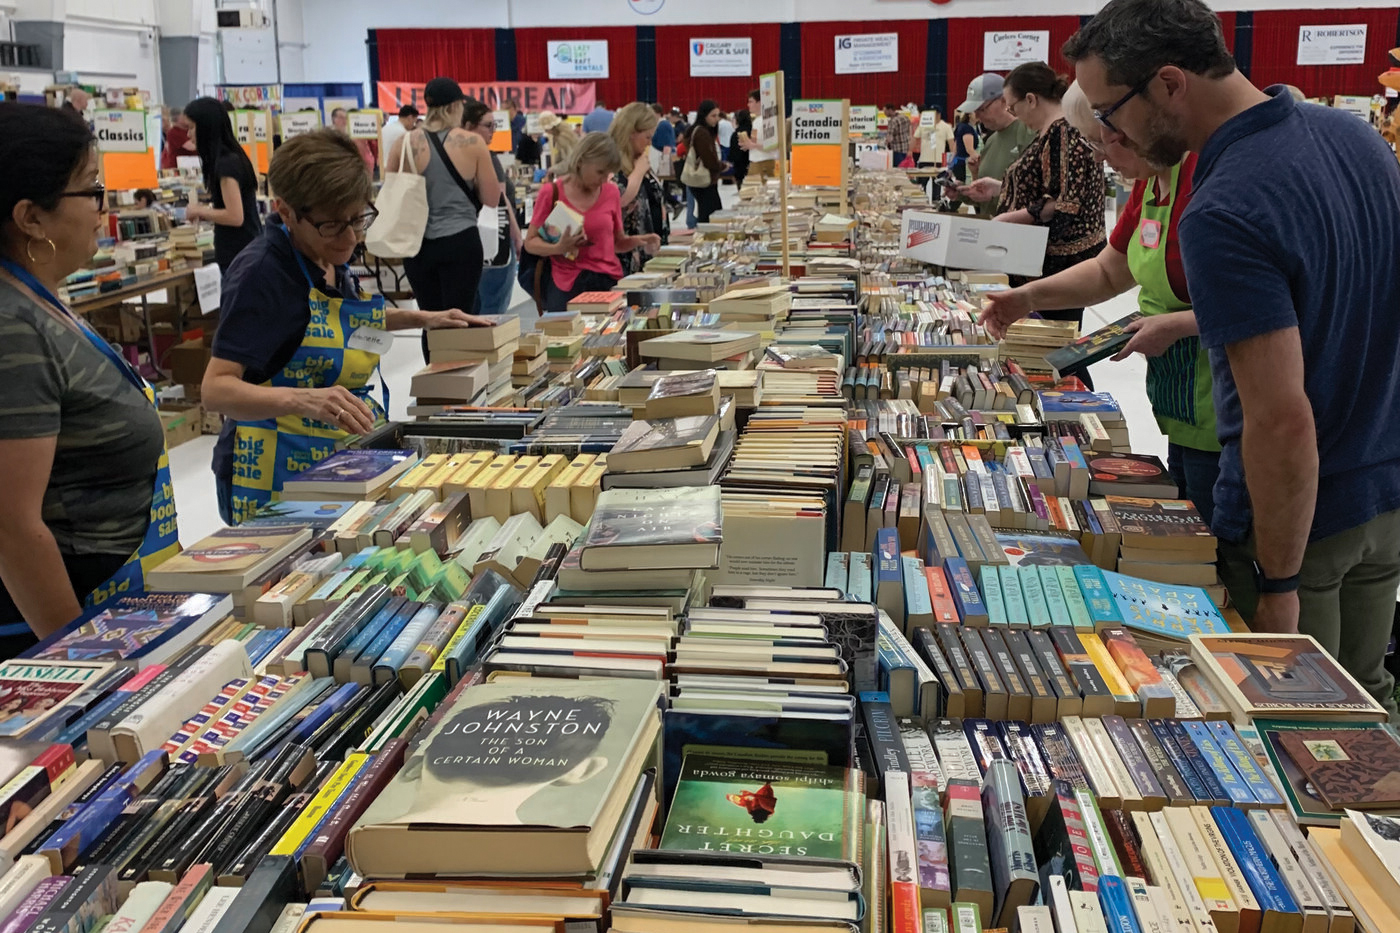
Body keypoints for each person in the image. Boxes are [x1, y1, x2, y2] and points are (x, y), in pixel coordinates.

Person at [1066, 0, 1400, 715]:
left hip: (1300, 525)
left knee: (1298, 732)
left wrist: (1276, 585)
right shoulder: (1356, 138)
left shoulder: (1222, 208)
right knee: (1370, 707)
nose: (1107, 133)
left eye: (1109, 111)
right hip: (1384, 497)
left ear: (1168, 83)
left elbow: (1277, 420)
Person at [202, 129, 489, 525]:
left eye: (358, 219)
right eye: (334, 225)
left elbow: (340, 320)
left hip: (335, 456)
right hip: (272, 468)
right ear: (286, 211)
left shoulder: (325, 252)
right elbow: (215, 389)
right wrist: (305, 400)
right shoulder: (261, 274)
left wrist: (424, 317)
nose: (352, 238)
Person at [979, 83, 1219, 526]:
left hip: (1223, 400)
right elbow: (1108, 271)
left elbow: (1260, 302)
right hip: (1179, 399)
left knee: (1220, 537)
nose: (1100, 156)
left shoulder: (1208, 180)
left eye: (1101, 140)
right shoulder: (1149, 186)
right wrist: (1028, 295)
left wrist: (1178, 325)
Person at [0, 104, 180, 654]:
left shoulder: (39, 298)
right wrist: (76, 657)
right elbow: (10, 524)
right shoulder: (13, 326)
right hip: (56, 625)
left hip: (109, 594)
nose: (104, 208)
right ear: (31, 216)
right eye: (92, 190)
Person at [989, 63, 1107, 337]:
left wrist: (1008, 219)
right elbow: (1048, 189)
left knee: (1054, 347)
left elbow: (1065, 203)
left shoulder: (1063, 131)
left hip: (1062, 264)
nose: (1014, 115)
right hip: (1048, 262)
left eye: (1012, 107)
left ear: (1031, 99)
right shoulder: (1051, 132)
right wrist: (999, 189)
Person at [385, 79, 502, 343]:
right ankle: (461, 381)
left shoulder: (404, 144)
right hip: (460, 242)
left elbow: (391, 194)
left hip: (417, 246)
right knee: (461, 320)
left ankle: (433, 377)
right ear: (457, 106)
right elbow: (492, 198)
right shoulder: (472, 142)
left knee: (430, 321)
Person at [522, 132, 660, 312]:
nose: (603, 179)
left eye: (608, 173)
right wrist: (558, 248)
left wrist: (639, 240)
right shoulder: (551, 193)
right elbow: (530, 243)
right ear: (580, 162)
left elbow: (616, 242)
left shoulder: (610, 192)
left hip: (607, 281)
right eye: (600, 172)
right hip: (567, 285)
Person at [182, 97, 263, 272]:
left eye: (191, 128)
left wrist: (199, 210)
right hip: (245, 251)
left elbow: (235, 216)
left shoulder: (226, 164)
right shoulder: (232, 157)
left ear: (206, 126)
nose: (188, 134)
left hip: (238, 254)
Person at [462, 100, 522, 316]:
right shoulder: (485, 157)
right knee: (493, 309)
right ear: (468, 126)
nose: (493, 132)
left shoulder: (453, 157)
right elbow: (499, 199)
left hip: (473, 243)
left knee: (476, 307)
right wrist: (515, 234)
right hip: (494, 240)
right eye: (488, 126)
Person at [954, 74, 1035, 217]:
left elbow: (1035, 195)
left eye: (982, 109)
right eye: (975, 111)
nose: (977, 116)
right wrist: (962, 192)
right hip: (992, 231)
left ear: (1004, 101)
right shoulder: (990, 141)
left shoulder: (1027, 133)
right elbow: (986, 199)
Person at [609, 102, 670, 276]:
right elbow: (618, 200)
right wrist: (638, 172)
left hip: (649, 253)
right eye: (647, 137)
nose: (649, 143)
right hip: (627, 259)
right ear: (631, 134)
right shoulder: (612, 164)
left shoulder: (638, 159)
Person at [684, 101, 727, 224]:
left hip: (702, 181)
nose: (716, 119)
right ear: (704, 116)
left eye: (718, 115)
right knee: (711, 216)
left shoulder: (698, 131)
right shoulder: (702, 133)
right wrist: (722, 166)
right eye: (713, 116)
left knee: (707, 213)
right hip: (704, 181)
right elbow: (709, 160)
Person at [739, 90, 778, 184]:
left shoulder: (768, 120)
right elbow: (754, 141)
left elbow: (773, 145)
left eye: (751, 101)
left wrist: (753, 145)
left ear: (760, 102)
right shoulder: (756, 120)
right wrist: (747, 143)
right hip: (755, 162)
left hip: (764, 162)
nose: (748, 105)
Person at [332, 107, 377, 175]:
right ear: (334, 119)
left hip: (363, 163)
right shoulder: (330, 134)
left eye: (345, 117)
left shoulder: (361, 130)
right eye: (341, 117)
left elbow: (374, 144)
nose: (344, 120)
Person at [916, 106, 955, 171]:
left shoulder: (946, 126)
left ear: (939, 114)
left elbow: (951, 143)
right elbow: (915, 137)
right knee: (922, 180)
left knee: (937, 180)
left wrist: (952, 158)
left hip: (939, 160)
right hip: (924, 160)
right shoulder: (923, 125)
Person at [951, 110, 979, 181]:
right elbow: (970, 150)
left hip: (958, 162)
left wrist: (952, 163)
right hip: (965, 164)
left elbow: (955, 147)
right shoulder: (967, 129)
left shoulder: (960, 126)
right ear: (969, 115)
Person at [730, 101, 753, 189]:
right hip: (753, 164)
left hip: (740, 168)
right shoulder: (754, 130)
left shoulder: (736, 134)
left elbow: (733, 154)